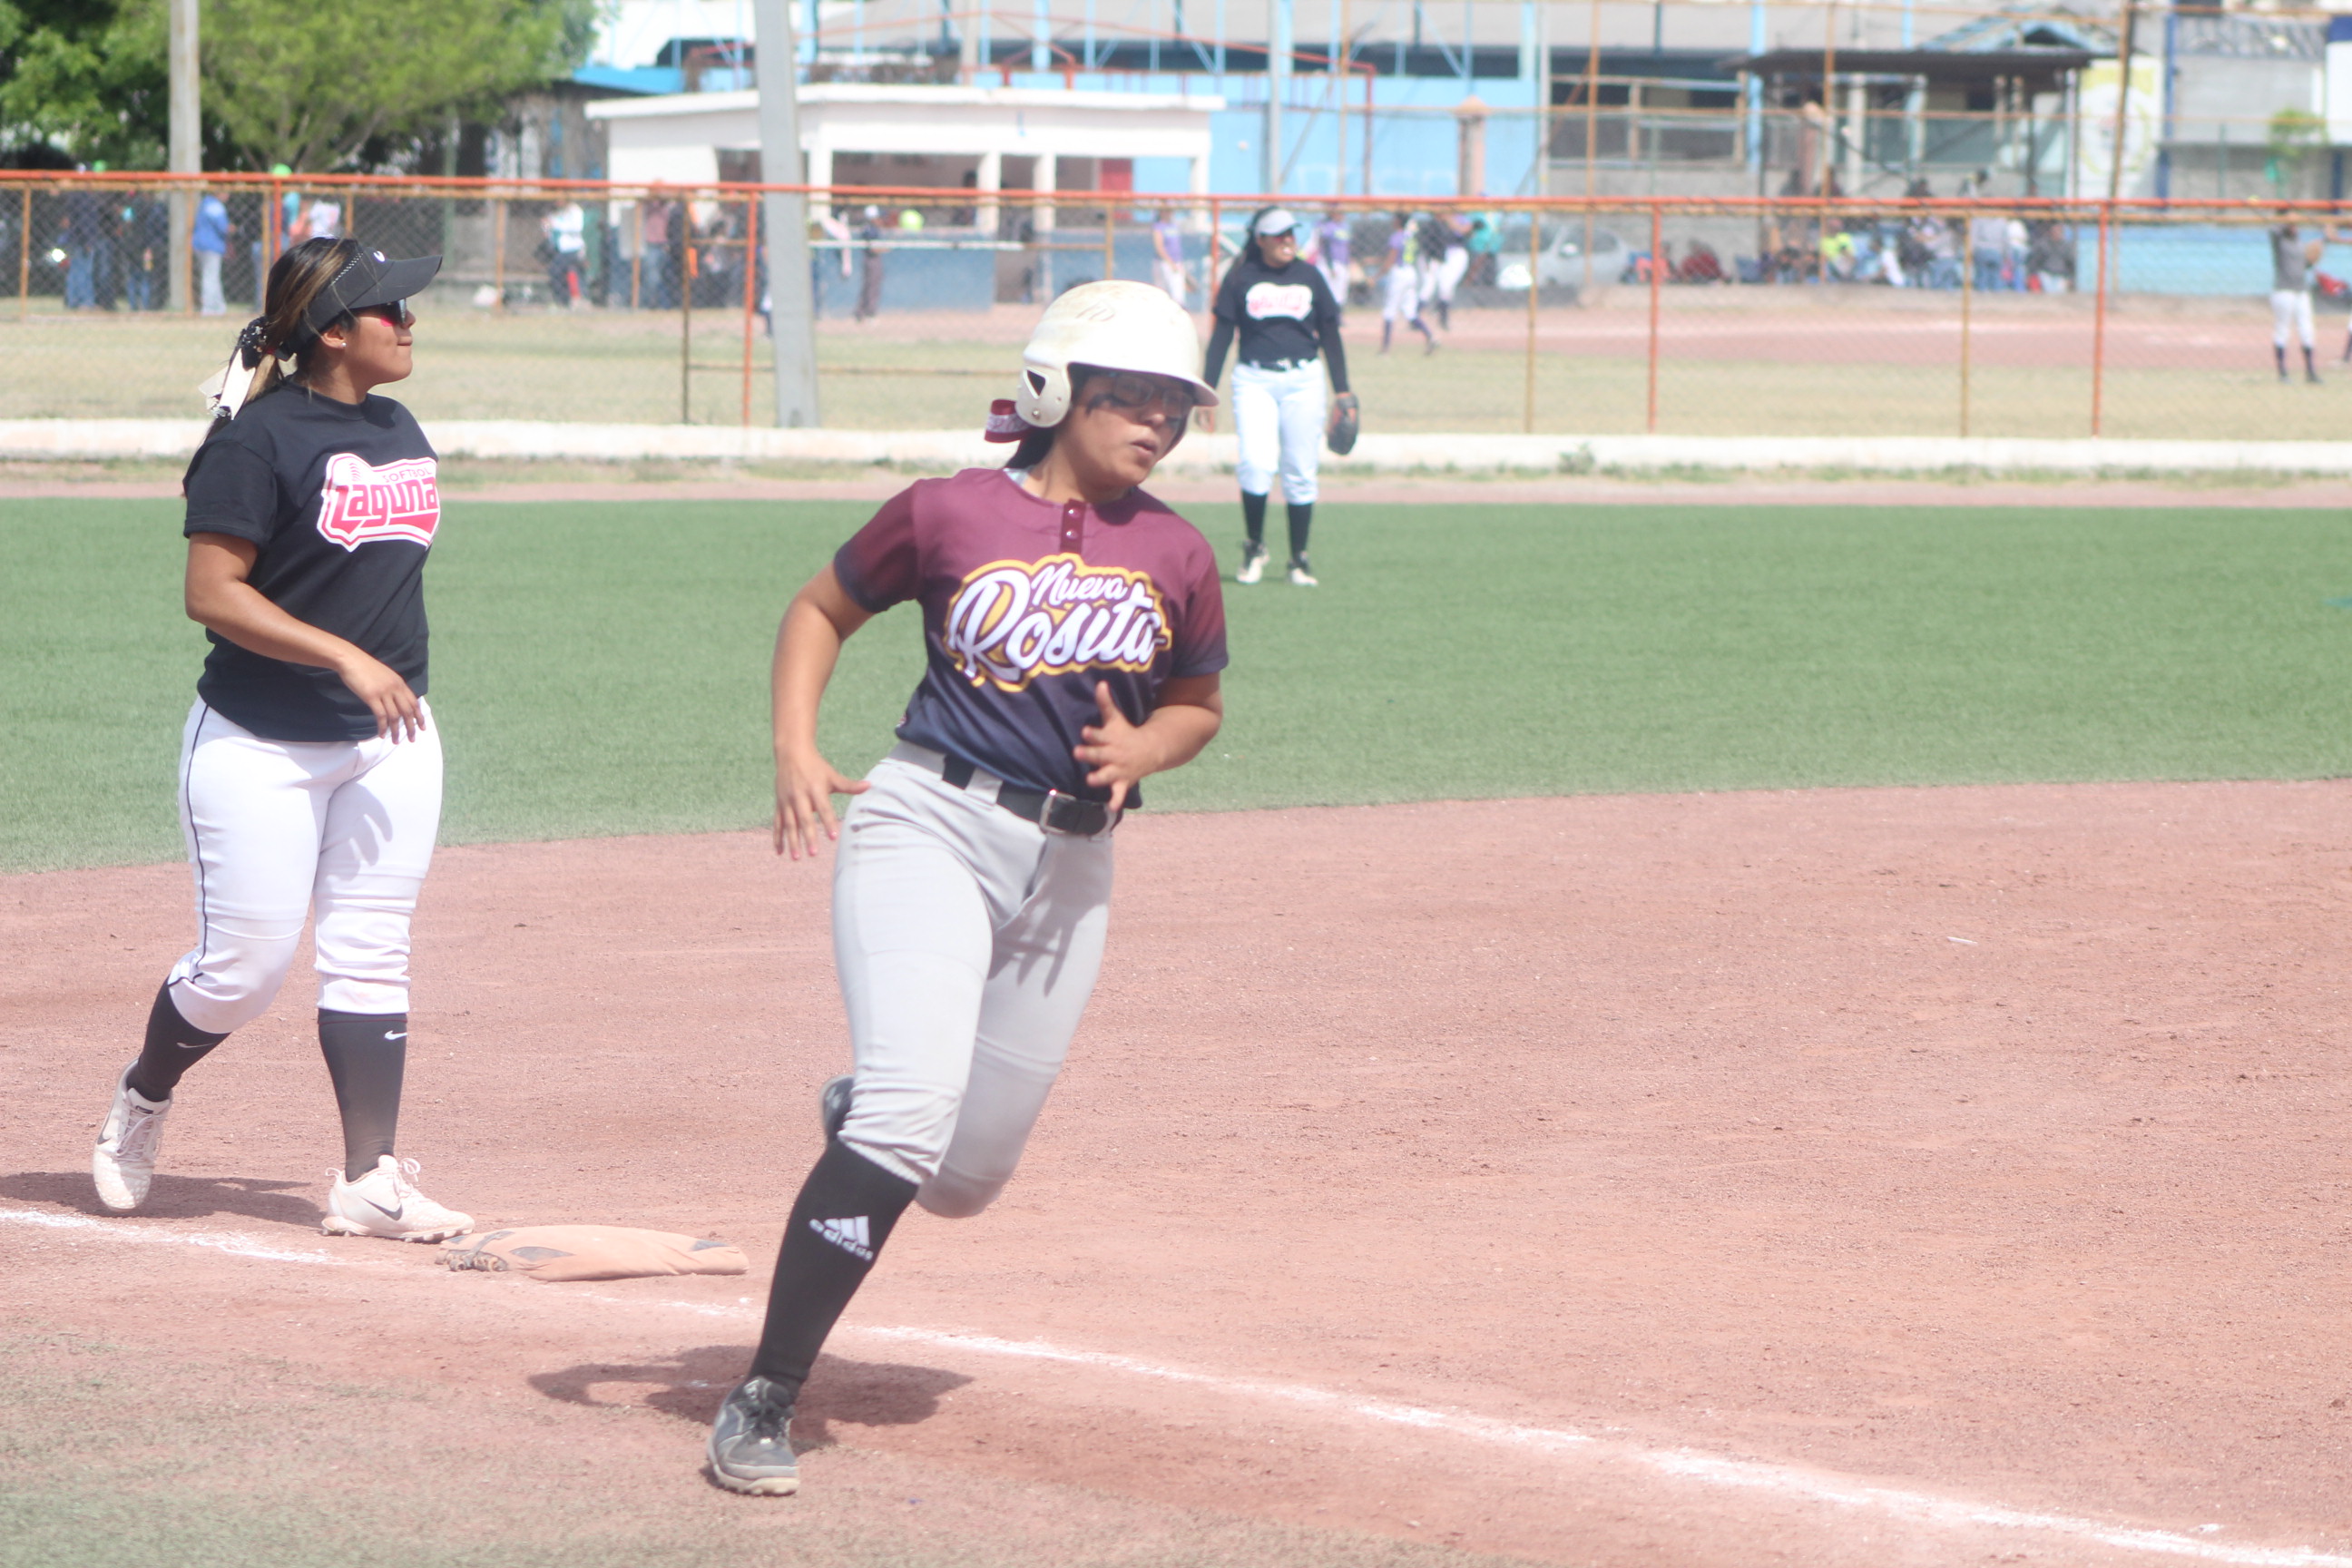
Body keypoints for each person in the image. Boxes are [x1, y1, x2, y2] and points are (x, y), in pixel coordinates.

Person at [704, 279, 1228, 1496]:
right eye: (1132, 399)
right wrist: (793, 741)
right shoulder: (945, 513)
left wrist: (1153, 748)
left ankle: (873, 1110)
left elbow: (1200, 704)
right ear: (1056, 396)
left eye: (1175, 407)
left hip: (1073, 865)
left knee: (969, 1177)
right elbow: (821, 608)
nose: (1158, 423)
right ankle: (765, 1395)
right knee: (905, 1119)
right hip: (929, 823)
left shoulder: (1179, 550)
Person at [89, 237, 474, 1245]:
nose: (410, 323)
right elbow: (209, 595)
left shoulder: (398, 425)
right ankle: (144, 1091)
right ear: (334, 332)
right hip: (259, 744)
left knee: (371, 952)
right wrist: (343, 656)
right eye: (392, 309)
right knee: (243, 970)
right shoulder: (255, 442)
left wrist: (373, 671)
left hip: (393, 738)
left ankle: (370, 1179)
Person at [1199, 207, 1353, 588]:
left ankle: (1298, 559)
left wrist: (1343, 390)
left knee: (1300, 469)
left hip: (1303, 379)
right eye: (1278, 234)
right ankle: (1255, 547)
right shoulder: (1240, 277)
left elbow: (1330, 334)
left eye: (1291, 233)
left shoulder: (1309, 276)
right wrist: (1205, 392)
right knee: (1255, 463)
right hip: (1254, 379)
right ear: (1261, 239)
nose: (1288, 240)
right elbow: (1222, 337)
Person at [2270, 219, 2320, 384]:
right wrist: (2284, 222)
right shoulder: (2279, 239)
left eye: (2295, 224)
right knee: (2283, 329)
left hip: (2301, 291)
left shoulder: (2299, 242)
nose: (2294, 227)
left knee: (2307, 329)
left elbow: (2302, 266)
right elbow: (2272, 229)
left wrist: (2311, 262)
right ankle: (2282, 372)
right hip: (2283, 290)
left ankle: (2311, 371)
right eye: (2291, 224)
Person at [1380, 211, 1436, 355]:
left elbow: (1391, 259)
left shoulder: (1397, 236)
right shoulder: (1411, 237)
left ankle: (1385, 349)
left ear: (1398, 221)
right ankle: (1430, 336)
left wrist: (1376, 277)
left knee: (1390, 310)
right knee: (1410, 311)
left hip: (1398, 273)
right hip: (1411, 272)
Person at [193, 191, 233, 316]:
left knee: (210, 275)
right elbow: (223, 227)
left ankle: (218, 306)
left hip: (199, 244)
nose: (228, 195)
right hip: (212, 245)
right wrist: (233, 229)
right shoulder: (217, 206)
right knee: (211, 276)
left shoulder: (205, 202)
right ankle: (209, 307)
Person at [544, 200, 586, 308]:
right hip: (559, 248)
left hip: (572, 248)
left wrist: (556, 224)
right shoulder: (557, 212)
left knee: (557, 270)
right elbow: (549, 227)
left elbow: (577, 228)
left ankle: (566, 299)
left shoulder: (575, 211)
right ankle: (566, 299)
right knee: (561, 272)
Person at [1310, 208, 1350, 307]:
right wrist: (1330, 266)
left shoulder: (1344, 227)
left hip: (1343, 262)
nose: (1341, 216)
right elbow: (1326, 245)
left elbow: (1348, 246)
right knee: (1329, 290)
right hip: (1330, 262)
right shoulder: (1327, 226)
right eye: (1338, 213)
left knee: (1341, 292)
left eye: (1342, 213)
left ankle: (1338, 313)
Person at [1152, 207, 1190, 305]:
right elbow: (1159, 247)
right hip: (1164, 262)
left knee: (1178, 294)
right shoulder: (1159, 227)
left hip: (1177, 262)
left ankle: (1178, 314)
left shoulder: (1173, 226)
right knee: (1161, 293)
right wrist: (1170, 263)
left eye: (1171, 211)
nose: (1169, 213)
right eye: (1166, 211)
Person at [854, 204, 886, 321]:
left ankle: (861, 312)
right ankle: (869, 313)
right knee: (872, 287)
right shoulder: (870, 230)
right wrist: (886, 248)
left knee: (869, 286)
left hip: (870, 260)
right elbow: (873, 248)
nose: (880, 220)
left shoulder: (870, 228)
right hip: (872, 260)